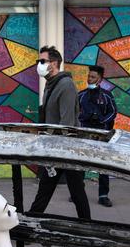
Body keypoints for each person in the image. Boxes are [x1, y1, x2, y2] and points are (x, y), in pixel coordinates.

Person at [29, 46, 91, 219]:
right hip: (54, 147)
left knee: (76, 192)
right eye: (38, 62)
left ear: (54, 63)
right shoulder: (50, 85)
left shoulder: (66, 86)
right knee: (46, 190)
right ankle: (31, 222)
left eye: (42, 61)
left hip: (66, 150)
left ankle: (87, 226)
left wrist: (59, 152)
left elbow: (67, 123)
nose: (38, 65)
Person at [78, 65, 117, 207]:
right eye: (89, 76)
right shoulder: (81, 95)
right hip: (84, 133)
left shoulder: (107, 95)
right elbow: (75, 111)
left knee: (103, 166)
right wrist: (82, 120)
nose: (89, 79)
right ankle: (77, 193)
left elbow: (113, 112)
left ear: (100, 79)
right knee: (80, 163)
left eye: (93, 77)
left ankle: (103, 196)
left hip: (102, 134)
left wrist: (102, 121)